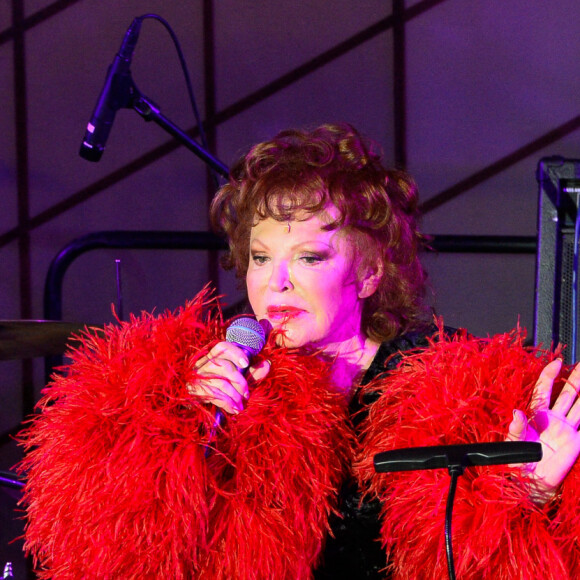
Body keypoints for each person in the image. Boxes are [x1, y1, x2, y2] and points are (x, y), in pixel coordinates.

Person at [18, 123, 580, 579]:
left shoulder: (450, 385)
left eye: (309, 257)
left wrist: (527, 493)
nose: (275, 283)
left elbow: (484, 560)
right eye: (261, 258)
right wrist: (178, 438)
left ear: (367, 273)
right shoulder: (213, 380)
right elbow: (115, 556)